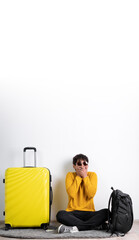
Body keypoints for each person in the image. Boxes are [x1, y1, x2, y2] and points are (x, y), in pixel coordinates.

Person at [56, 154, 109, 233]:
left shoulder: (92, 175)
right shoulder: (70, 175)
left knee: (107, 212)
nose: (82, 166)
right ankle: (93, 226)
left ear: (87, 165)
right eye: (79, 164)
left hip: (90, 213)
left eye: (85, 163)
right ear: (74, 166)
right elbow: (72, 194)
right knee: (60, 215)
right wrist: (78, 176)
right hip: (73, 213)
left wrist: (85, 177)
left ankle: (75, 228)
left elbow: (90, 194)